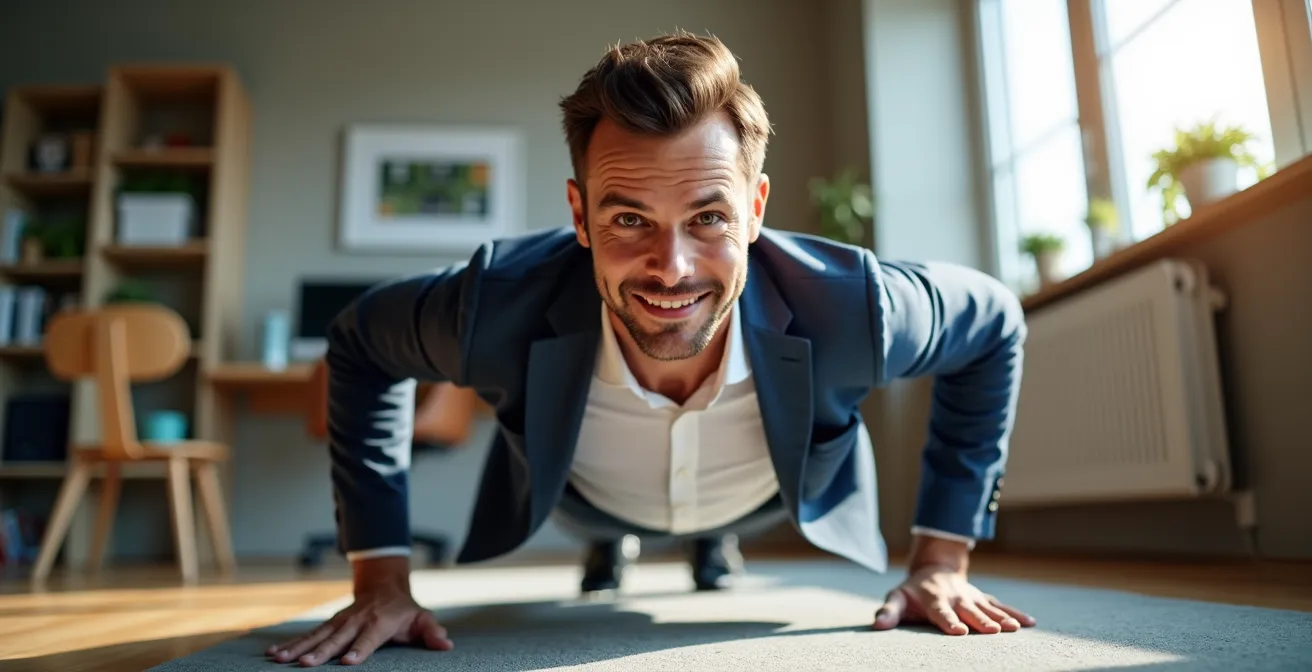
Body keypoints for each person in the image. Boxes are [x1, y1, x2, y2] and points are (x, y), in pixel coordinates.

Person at [267, 31, 1034, 668]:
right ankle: (614, 546)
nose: (672, 267)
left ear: (756, 207)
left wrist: (942, 559)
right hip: (588, 499)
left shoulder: (854, 306)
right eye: (630, 219)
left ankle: (712, 543)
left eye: (708, 218)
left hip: (761, 495)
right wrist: (379, 575)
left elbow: (994, 321)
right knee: (606, 530)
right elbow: (360, 341)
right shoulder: (491, 305)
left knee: (715, 533)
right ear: (578, 212)